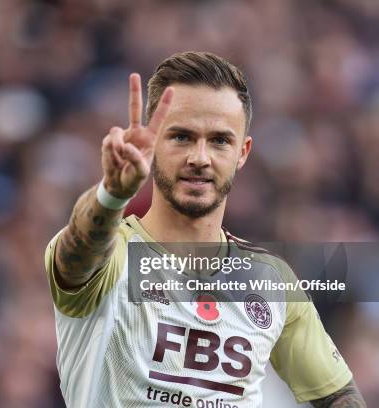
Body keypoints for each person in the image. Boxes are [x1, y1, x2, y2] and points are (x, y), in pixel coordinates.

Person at [44, 51, 366, 407]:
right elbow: (76, 256)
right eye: (181, 137)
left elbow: (338, 395)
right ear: (153, 145)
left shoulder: (270, 278)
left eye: (219, 141)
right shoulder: (112, 255)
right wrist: (112, 194)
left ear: (242, 153)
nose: (200, 157)